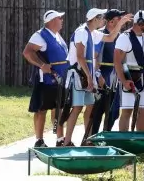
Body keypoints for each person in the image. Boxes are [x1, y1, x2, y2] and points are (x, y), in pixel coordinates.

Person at [64, 8, 132, 146]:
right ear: (95, 19)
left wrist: (121, 23)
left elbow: (111, 37)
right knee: (77, 108)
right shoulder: (82, 32)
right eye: (101, 18)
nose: (103, 20)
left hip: (86, 75)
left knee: (90, 107)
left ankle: (88, 140)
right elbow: (80, 57)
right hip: (78, 74)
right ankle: (66, 142)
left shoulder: (92, 33)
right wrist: (90, 77)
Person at [23, 10, 69, 147]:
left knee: (58, 108)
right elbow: (27, 52)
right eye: (59, 18)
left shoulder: (57, 35)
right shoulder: (39, 35)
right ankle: (39, 140)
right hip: (46, 80)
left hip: (60, 79)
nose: (62, 20)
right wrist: (41, 65)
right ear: (52, 21)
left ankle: (60, 139)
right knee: (41, 109)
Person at [92, 9, 126, 134]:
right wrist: (98, 75)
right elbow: (94, 57)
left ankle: (106, 134)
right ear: (111, 21)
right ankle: (94, 137)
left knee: (113, 111)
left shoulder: (121, 36)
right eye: (118, 19)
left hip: (116, 77)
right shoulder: (100, 35)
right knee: (98, 110)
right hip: (103, 75)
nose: (121, 21)